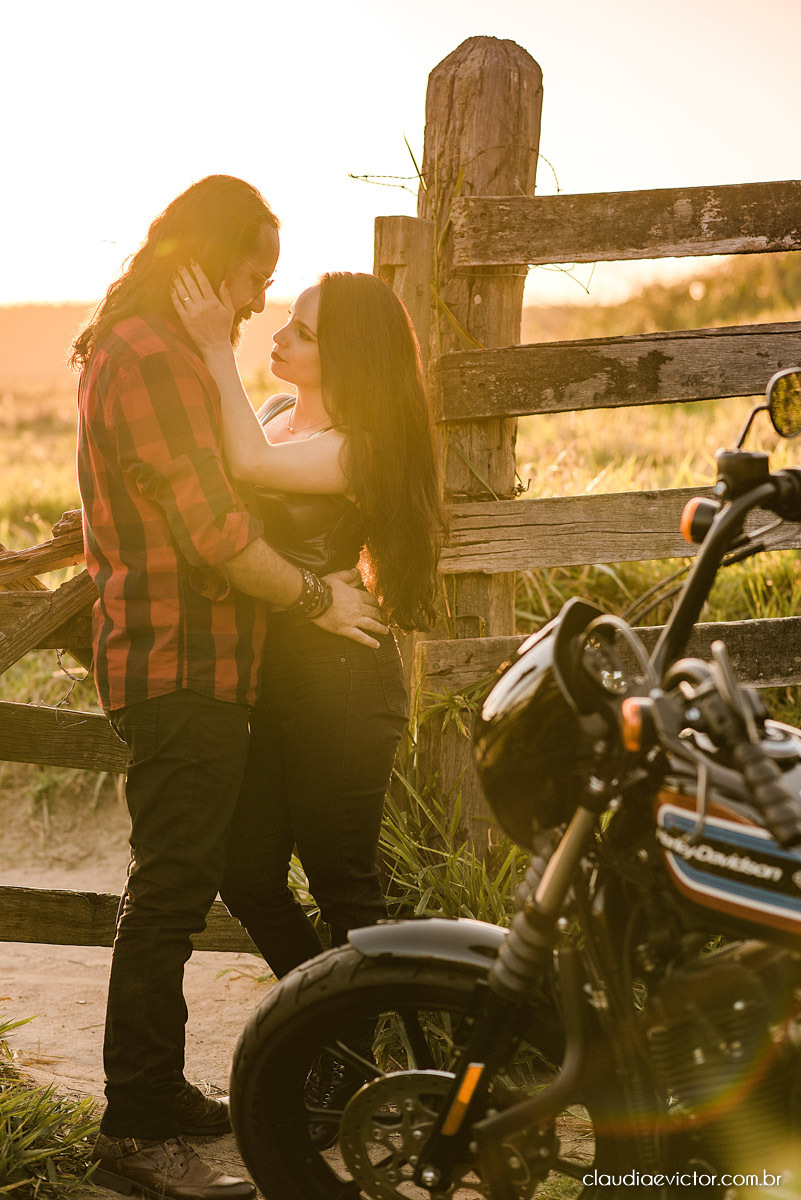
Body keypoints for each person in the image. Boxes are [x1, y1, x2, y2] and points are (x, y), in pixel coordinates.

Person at [73, 176, 386, 1200]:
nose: (257, 301)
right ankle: (137, 1113)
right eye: (254, 276)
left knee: (189, 880)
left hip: (197, 659)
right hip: (182, 661)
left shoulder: (142, 349)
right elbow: (214, 530)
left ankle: (169, 1092)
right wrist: (313, 599)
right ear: (206, 259)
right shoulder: (155, 357)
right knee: (168, 889)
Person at [170, 267, 445, 985]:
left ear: (349, 355)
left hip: (343, 683)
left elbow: (246, 465)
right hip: (273, 676)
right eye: (288, 318)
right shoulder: (270, 413)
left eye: (304, 331)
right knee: (246, 871)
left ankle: (372, 1053)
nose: (280, 334)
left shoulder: (359, 445)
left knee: (343, 883)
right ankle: (324, 1029)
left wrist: (211, 346)